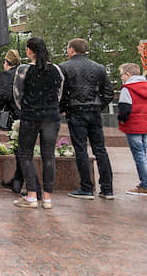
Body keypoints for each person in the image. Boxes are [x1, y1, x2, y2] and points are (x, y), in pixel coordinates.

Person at [59, 38, 115, 199]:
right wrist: (98, 105)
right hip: (94, 112)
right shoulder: (99, 68)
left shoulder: (64, 67)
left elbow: (61, 93)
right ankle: (107, 188)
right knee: (100, 149)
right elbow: (109, 93)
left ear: (71, 50)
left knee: (81, 149)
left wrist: (63, 109)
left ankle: (86, 188)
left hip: (76, 112)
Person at [12, 37, 64, 210]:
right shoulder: (56, 69)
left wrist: (27, 108)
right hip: (51, 117)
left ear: (29, 50)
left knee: (25, 154)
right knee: (48, 156)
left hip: (30, 116)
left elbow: (17, 94)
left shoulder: (23, 70)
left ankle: (32, 196)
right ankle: (47, 199)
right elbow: (59, 94)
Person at [0, 50, 31, 194]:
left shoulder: (6, 75)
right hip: (30, 115)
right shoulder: (25, 72)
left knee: (20, 151)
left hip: (16, 117)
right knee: (23, 151)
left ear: (6, 62)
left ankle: (25, 185)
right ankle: (17, 182)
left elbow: (4, 94)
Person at [117, 63, 147, 196]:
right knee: (145, 154)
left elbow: (125, 110)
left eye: (121, 74)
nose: (121, 77)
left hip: (134, 126)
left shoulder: (127, 88)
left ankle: (145, 185)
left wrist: (121, 119)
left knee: (139, 156)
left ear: (128, 74)